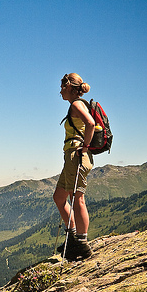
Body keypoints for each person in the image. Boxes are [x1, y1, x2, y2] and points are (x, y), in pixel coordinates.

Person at [53, 73, 95, 261]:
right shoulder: (76, 105)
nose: (60, 90)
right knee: (59, 197)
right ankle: (73, 237)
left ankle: (82, 244)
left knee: (77, 198)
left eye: (62, 86)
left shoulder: (77, 104)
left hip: (76, 156)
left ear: (69, 86)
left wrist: (84, 147)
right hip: (72, 157)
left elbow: (90, 123)